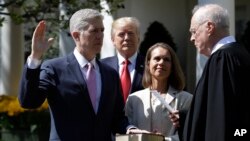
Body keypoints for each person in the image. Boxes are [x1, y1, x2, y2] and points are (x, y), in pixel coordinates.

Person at [18, 9, 141, 141]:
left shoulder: (110, 73)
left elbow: (116, 118)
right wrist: (35, 57)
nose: (100, 36)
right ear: (76, 35)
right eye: (94, 31)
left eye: (102, 30)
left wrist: (131, 129)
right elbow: (29, 101)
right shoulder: (54, 68)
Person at [183, 4, 250, 141]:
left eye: (194, 31)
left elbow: (219, 119)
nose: (191, 38)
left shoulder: (222, 59)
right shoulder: (242, 54)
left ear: (209, 27)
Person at [125, 43, 193, 141]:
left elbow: (190, 133)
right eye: (157, 58)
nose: (161, 62)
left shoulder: (186, 99)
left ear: (172, 66)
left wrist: (163, 140)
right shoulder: (133, 99)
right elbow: (128, 134)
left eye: (166, 60)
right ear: (148, 63)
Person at [101, 17, 145, 102]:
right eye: (121, 34)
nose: (127, 38)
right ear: (113, 40)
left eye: (131, 33)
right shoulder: (102, 66)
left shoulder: (149, 65)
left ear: (138, 38)